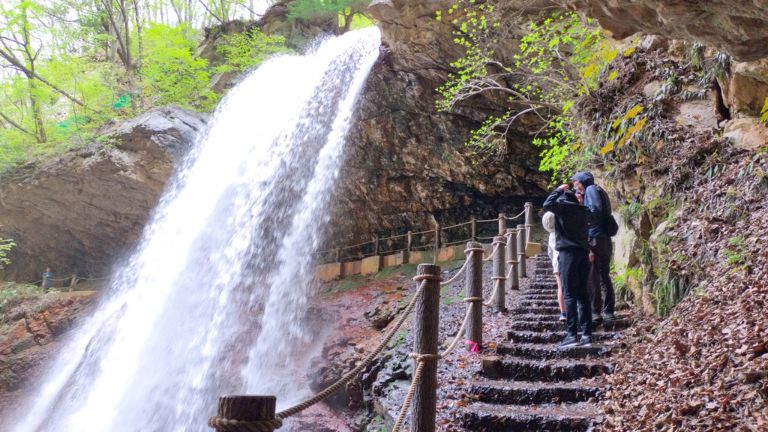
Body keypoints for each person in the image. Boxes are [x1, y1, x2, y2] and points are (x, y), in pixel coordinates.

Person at [542, 184, 592, 347]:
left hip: (568, 255)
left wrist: (558, 190)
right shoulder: (583, 210)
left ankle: (572, 335)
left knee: (569, 294)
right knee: (583, 295)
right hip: (583, 254)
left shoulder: (563, 208)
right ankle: (586, 335)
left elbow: (547, 205)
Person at [572, 171, 616, 322]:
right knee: (604, 276)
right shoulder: (599, 190)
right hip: (604, 239)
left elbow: (594, 211)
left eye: (575, 182)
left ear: (582, 182)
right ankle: (608, 311)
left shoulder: (590, 190)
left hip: (594, 239)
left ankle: (596, 312)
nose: (574, 185)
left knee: (593, 275)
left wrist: (580, 209)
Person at [542, 211, 567, 321]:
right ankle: (574, 309)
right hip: (566, 260)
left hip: (556, 264)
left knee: (560, 287)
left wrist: (553, 262)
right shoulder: (564, 232)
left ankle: (563, 313)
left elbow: (550, 253)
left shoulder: (551, 235)